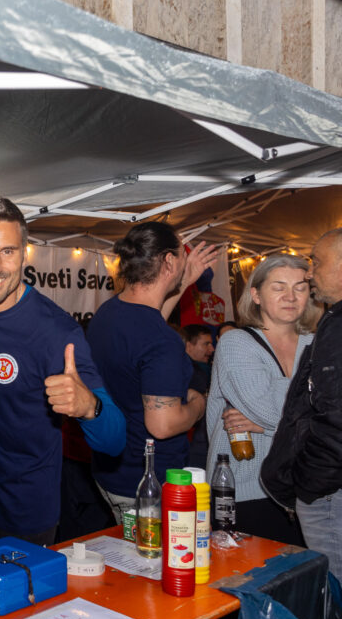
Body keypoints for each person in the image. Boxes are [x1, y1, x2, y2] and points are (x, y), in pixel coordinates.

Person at [0, 197, 125, 552]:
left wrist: (89, 408)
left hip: (24, 513)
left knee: (20, 610)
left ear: (24, 255)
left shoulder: (56, 332)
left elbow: (115, 439)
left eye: (7, 252)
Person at [87, 223, 216, 521]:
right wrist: (199, 404)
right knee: (158, 565)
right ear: (169, 261)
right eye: (182, 252)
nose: (186, 259)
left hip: (113, 471)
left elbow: (148, 326)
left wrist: (183, 282)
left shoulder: (109, 313)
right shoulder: (161, 340)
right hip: (147, 485)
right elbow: (162, 424)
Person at [206, 254, 316, 545]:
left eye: (300, 287)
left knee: (304, 581)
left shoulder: (317, 343)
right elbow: (267, 409)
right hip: (246, 488)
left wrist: (268, 418)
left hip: (307, 488)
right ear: (255, 294)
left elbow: (335, 411)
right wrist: (310, 390)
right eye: (278, 287)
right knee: (248, 583)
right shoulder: (236, 342)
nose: (291, 296)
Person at [264, 229, 342, 577]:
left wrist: (308, 482)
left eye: (317, 261)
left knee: (336, 592)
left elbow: (335, 418)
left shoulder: (338, 325)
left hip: (329, 489)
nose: (310, 273)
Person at [179, 323, 214, 467]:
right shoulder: (192, 373)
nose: (212, 349)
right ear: (188, 346)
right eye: (206, 344)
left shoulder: (205, 369)